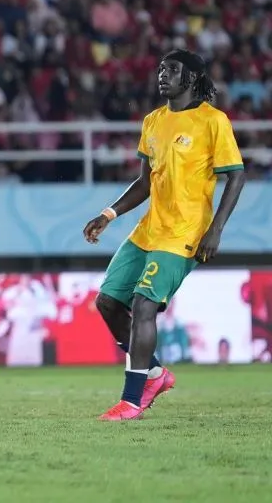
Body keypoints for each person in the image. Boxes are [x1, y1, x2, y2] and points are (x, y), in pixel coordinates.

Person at [83, 49, 245, 421]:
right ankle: (154, 373)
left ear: (190, 79)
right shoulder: (153, 121)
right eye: (160, 69)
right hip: (149, 229)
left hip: (184, 233)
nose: (162, 75)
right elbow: (144, 183)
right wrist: (108, 214)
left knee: (143, 305)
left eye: (171, 70)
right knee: (107, 302)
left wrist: (215, 230)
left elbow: (236, 175)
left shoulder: (212, 121)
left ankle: (132, 401)